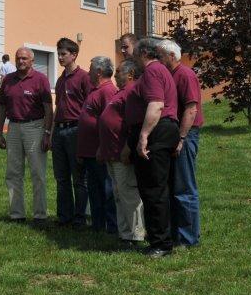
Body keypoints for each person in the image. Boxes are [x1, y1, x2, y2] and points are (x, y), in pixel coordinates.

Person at [123, 37, 179, 257]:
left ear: (144, 53)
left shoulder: (153, 71)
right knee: (152, 188)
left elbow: (156, 105)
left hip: (157, 131)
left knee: (154, 189)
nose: (132, 58)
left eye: (135, 54)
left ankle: (162, 244)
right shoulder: (157, 71)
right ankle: (159, 239)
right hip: (159, 131)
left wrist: (144, 135)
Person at [157, 39, 204, 248]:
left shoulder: (185, 75)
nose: (158, 60)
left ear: (172, 56)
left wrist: (182, 138)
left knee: (184, 187)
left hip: (185, 134)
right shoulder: (169, 75)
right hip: (174, 134)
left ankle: (188, 238)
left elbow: (191, 109)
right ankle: (177, 234)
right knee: (174, 186)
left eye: (160, 56)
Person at [0, 46, 53, 224]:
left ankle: (40, 215)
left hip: (34, 127)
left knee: (37, 173)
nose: (20, 61)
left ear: (32, 61)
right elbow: (2, 108)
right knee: (13, 173)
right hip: (13, 127)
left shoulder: (40, 79)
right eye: (18, 58)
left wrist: (46, 133)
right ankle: (17, 214)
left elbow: (48, 109)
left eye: (24, 59)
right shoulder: (8, 80)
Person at [97, 60, 145, 248]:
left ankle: (136, 235)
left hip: (122, 153)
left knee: (128, 194)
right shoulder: (119, 93)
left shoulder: (132, 92)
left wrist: (128, 147)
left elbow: (133, 124)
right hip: (111, 152)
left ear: (131, 74)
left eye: (118, 72)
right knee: (118, 193)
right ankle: (124, 233)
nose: (115, 75)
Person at [52, 38, 91, 228]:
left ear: (74, 55)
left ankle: (80, 217)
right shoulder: (60, 80)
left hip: (76, 130)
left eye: (63, 54)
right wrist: (51, 133)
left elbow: (90, 106)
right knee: (61, 177)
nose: (59, 57)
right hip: (59, 131)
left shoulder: (84, 77)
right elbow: (57, 106)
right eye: (58, 54)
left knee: (79, 177)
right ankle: (64, 216)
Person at [77, 56, 118, 234]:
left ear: (99, 72)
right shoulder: (95, 90)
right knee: (94, 189)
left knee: (105, 189)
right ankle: (98, 224)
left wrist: (103, 146)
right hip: (89, 151)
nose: (88, 71)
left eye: (91, 68)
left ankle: (110, 226)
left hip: (99, 151)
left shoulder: (107, 91)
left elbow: (109, 121)